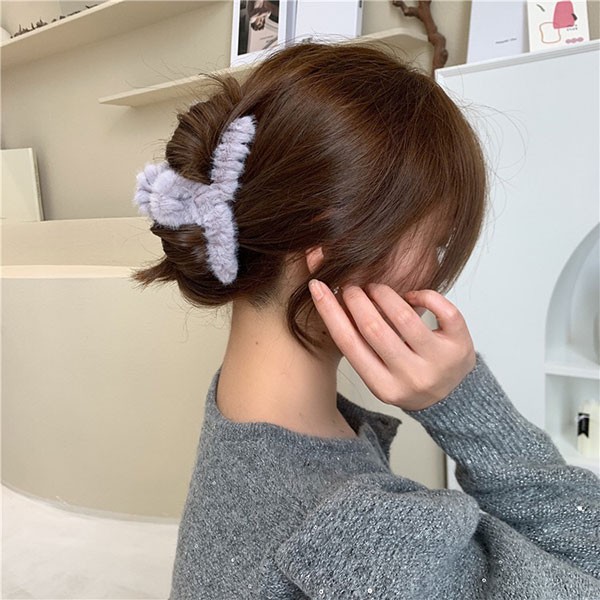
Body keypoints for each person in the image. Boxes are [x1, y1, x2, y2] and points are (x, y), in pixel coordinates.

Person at [131, 41, 600, 599]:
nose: (436, 270)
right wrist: (464, 403)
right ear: (336, 245)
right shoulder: (370, 542)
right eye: (437, 241)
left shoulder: (240, 431)